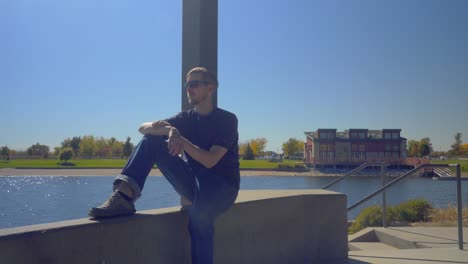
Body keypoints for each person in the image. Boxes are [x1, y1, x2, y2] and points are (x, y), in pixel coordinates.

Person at [88, 67, 240, 264]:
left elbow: (210, 160)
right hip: (194, 181)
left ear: (210, 88)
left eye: (194, 84)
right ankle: (124, 197)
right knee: (151, 140)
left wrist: (180, 139)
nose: (188, 89)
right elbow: (143, 127)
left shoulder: (227, 120)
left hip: (222, 186)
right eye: (187, 84)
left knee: (199, 219)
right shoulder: (185, 118)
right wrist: (171, 129)